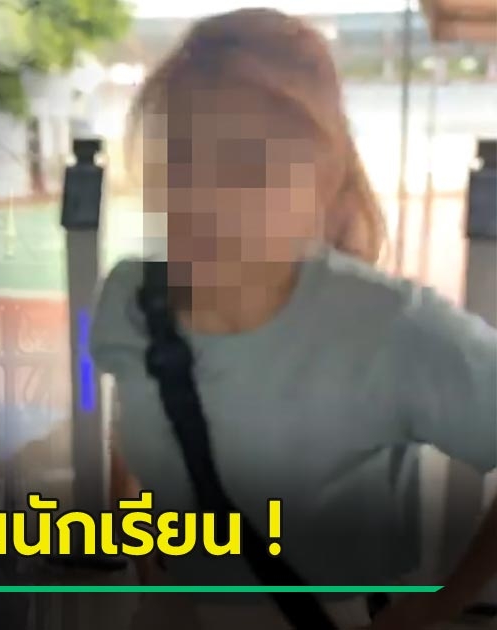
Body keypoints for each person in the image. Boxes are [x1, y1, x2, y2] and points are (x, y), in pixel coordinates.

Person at [90, 8, 497, 630]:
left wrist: (438, 605)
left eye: (246, 165)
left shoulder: (388, 329)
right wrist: (145, 544)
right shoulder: (131, 301)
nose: (202, 196)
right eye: (181, 156)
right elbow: (133, 418)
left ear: (317, 176)